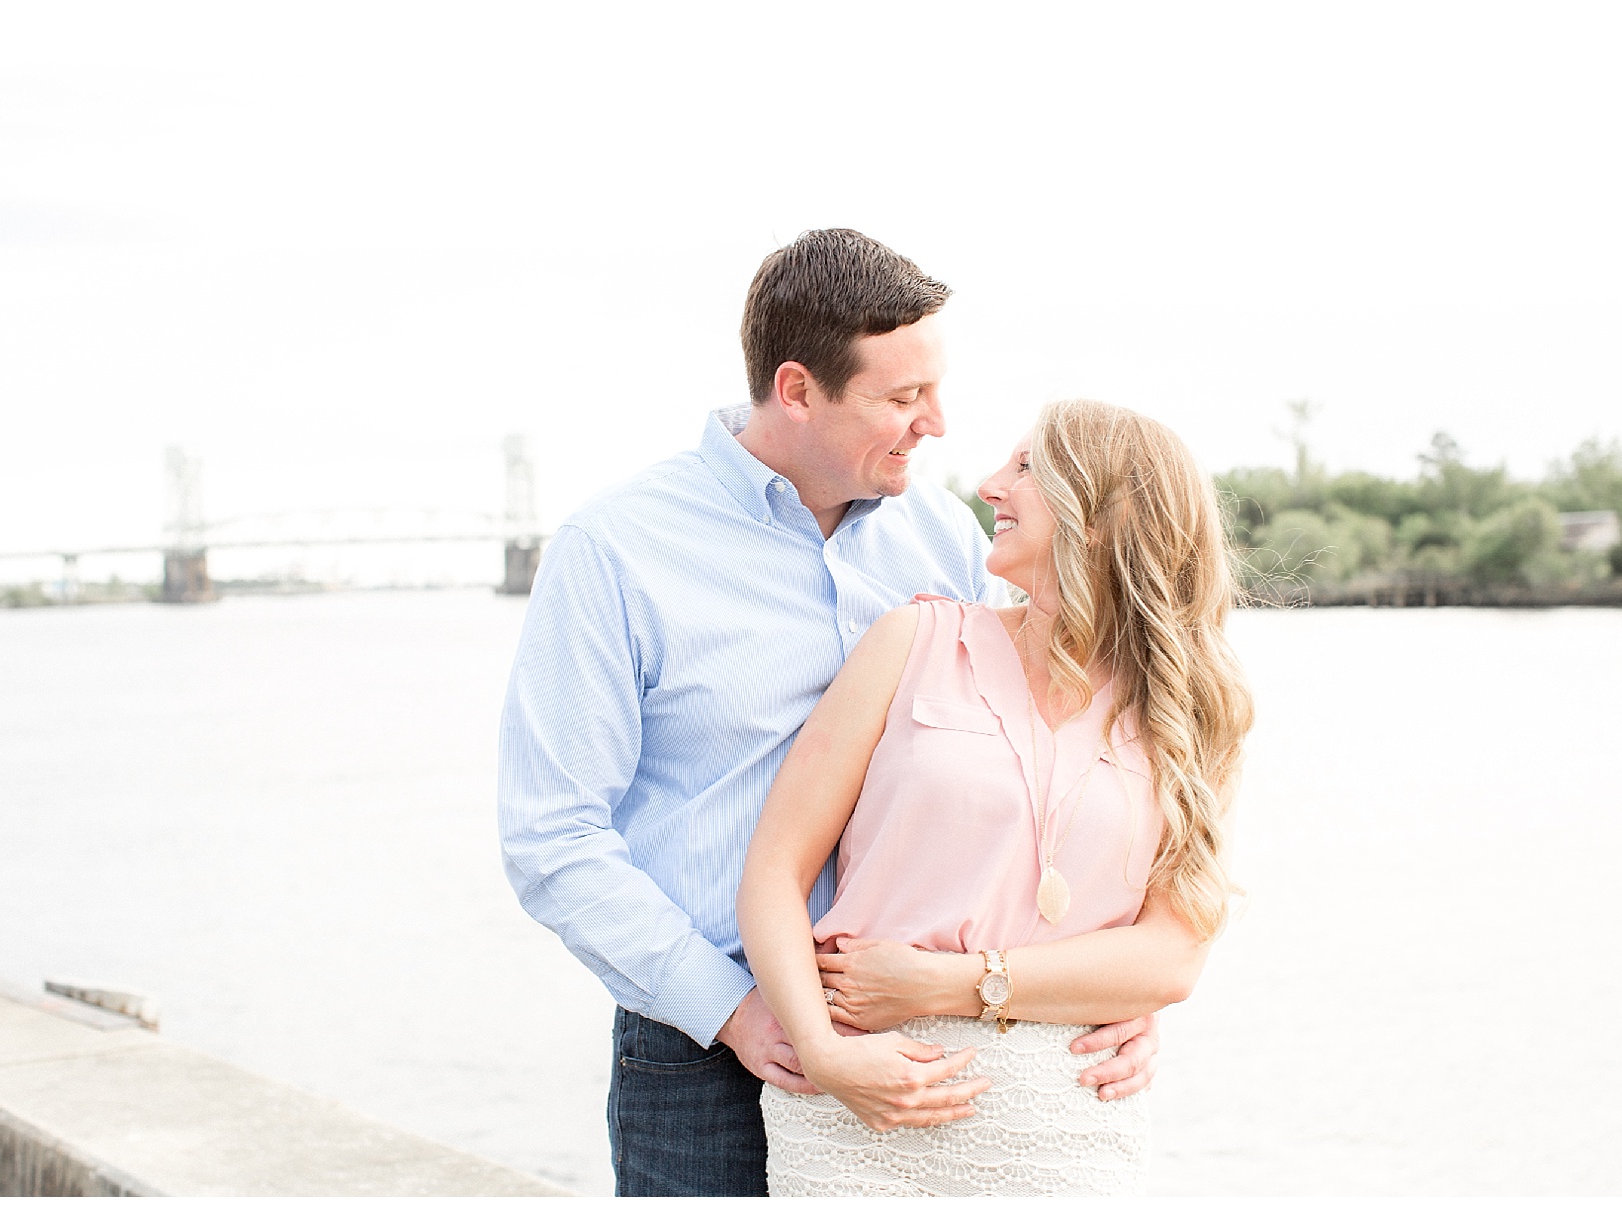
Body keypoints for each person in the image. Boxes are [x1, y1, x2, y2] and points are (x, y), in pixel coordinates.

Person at [497, 231, 1162, 1198]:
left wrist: (1101, 985)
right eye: (902, 397)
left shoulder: (943, 538)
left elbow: (1032, 772)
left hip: (919, 1030)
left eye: (935, 388)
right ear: (798, 390)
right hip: (706, 1050)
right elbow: (552, 836)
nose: (936, 423)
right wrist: (737, 1012)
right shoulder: (616, 549)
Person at [737, 399, 1253, 1195]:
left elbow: (1173, 956)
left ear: (1103, 514)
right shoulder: (911, 642)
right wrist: (823, 1049)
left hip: (1066, 1117)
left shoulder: (1189, 709)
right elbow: (774, 869)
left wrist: (957, 983)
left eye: (1026, 467)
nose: (989, 486)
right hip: (860, 1101)